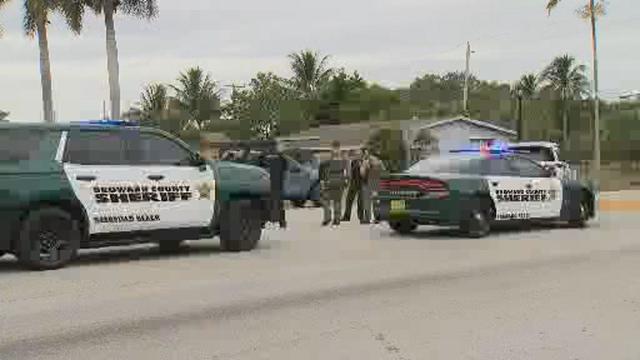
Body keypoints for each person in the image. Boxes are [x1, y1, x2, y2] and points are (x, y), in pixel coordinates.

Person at [319, 141, 349, 226]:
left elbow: (322, 170)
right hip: (338, 180)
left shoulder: (328, 160)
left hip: (330, 180)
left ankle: (328, 218)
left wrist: (322, 180)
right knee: (336, 201)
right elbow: (347, 172)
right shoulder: (344, 160)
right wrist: (346, 180)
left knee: (327, 200)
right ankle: (336, 219)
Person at [342, 149, 364, 222]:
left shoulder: (364, 162)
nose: (357, 156)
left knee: (360, 201)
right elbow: (350, 172)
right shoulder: (353, 162)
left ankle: (361, 217)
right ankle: (346, 216)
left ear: (361, 155)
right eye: (356, 155)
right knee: (348, 200)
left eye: (358, 154)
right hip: (353, 183)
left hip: (362, 184)